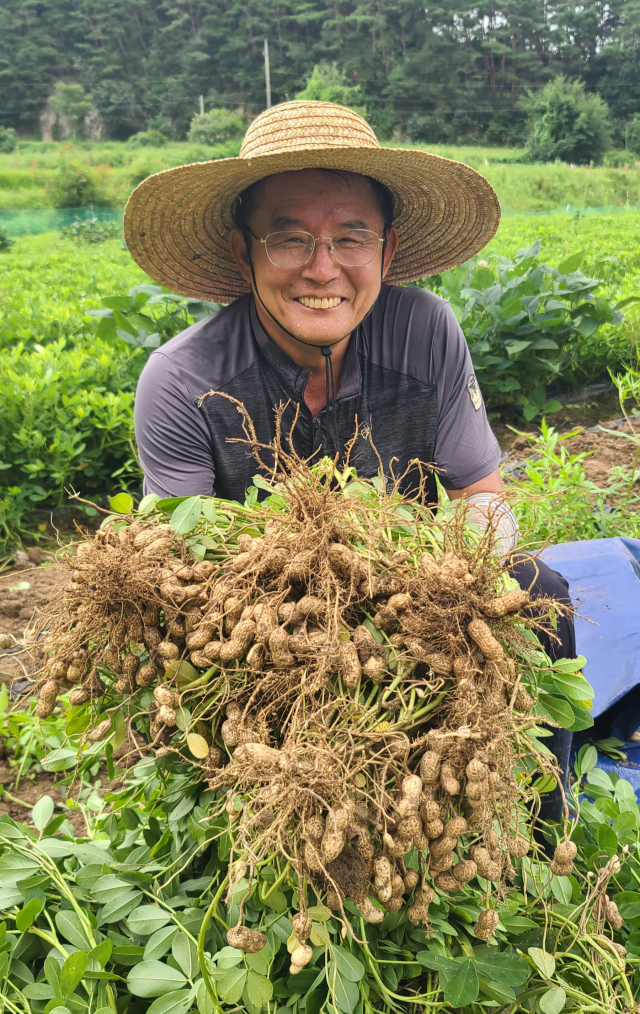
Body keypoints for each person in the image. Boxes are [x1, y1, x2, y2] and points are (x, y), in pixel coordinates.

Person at [125, 100, 574, 813]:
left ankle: (546, 822)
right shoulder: (181, 379)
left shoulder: (427, 330)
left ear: (387, 252)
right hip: (257, 626)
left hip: (416, 586)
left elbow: (483, 496)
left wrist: (439, 590)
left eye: (351, 239)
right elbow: (177, 578)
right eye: (289, 238)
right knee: (158, 674)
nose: (322, 269)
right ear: (244, 254)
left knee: (540, 588)